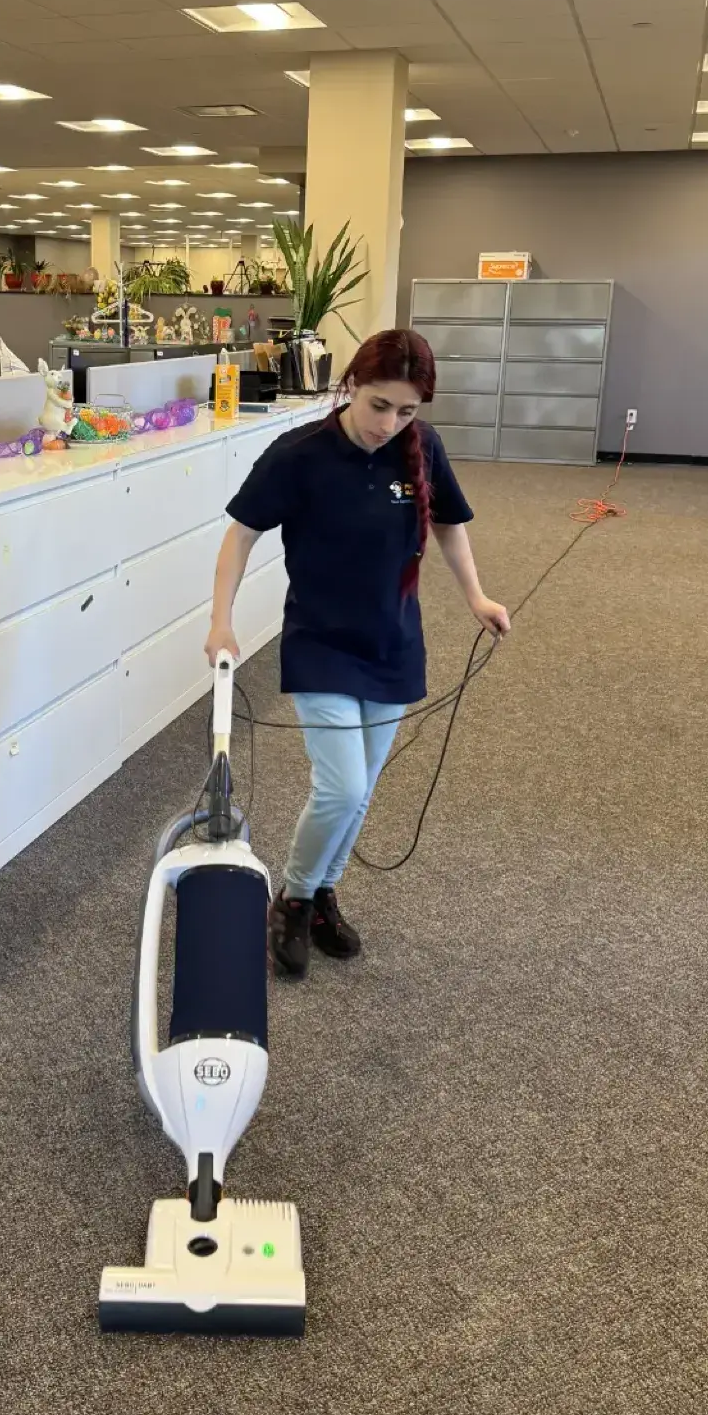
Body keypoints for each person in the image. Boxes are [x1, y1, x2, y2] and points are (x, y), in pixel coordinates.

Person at [204, 328, 511, 978]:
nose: (389, 423)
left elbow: (448, 525)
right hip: (322, 643)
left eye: (406, 411)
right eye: (378, 405)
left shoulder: (421, 448)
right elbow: (240, 536)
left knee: (361, 790)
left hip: (393, 643)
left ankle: (318, 896)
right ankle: (291, 898)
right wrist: (221, 621)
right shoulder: (301, 455)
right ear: (351, 386)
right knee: (341, 789)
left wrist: (477, 598)